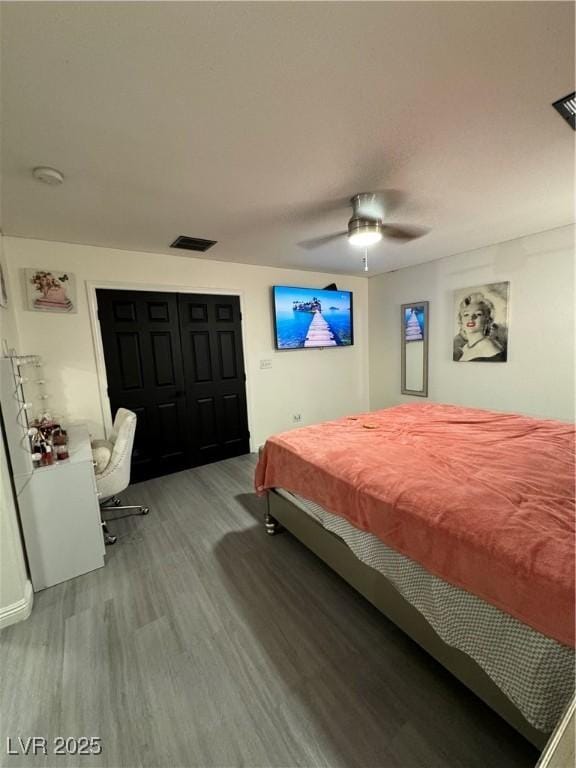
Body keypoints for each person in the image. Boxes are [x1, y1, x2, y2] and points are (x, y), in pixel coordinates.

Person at [454, 292, 506, 362]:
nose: (471, 318)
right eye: (466, 314)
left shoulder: (491, 349)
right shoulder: (464, 348)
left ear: (487, 320)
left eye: (478, 314)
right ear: (461, 321)